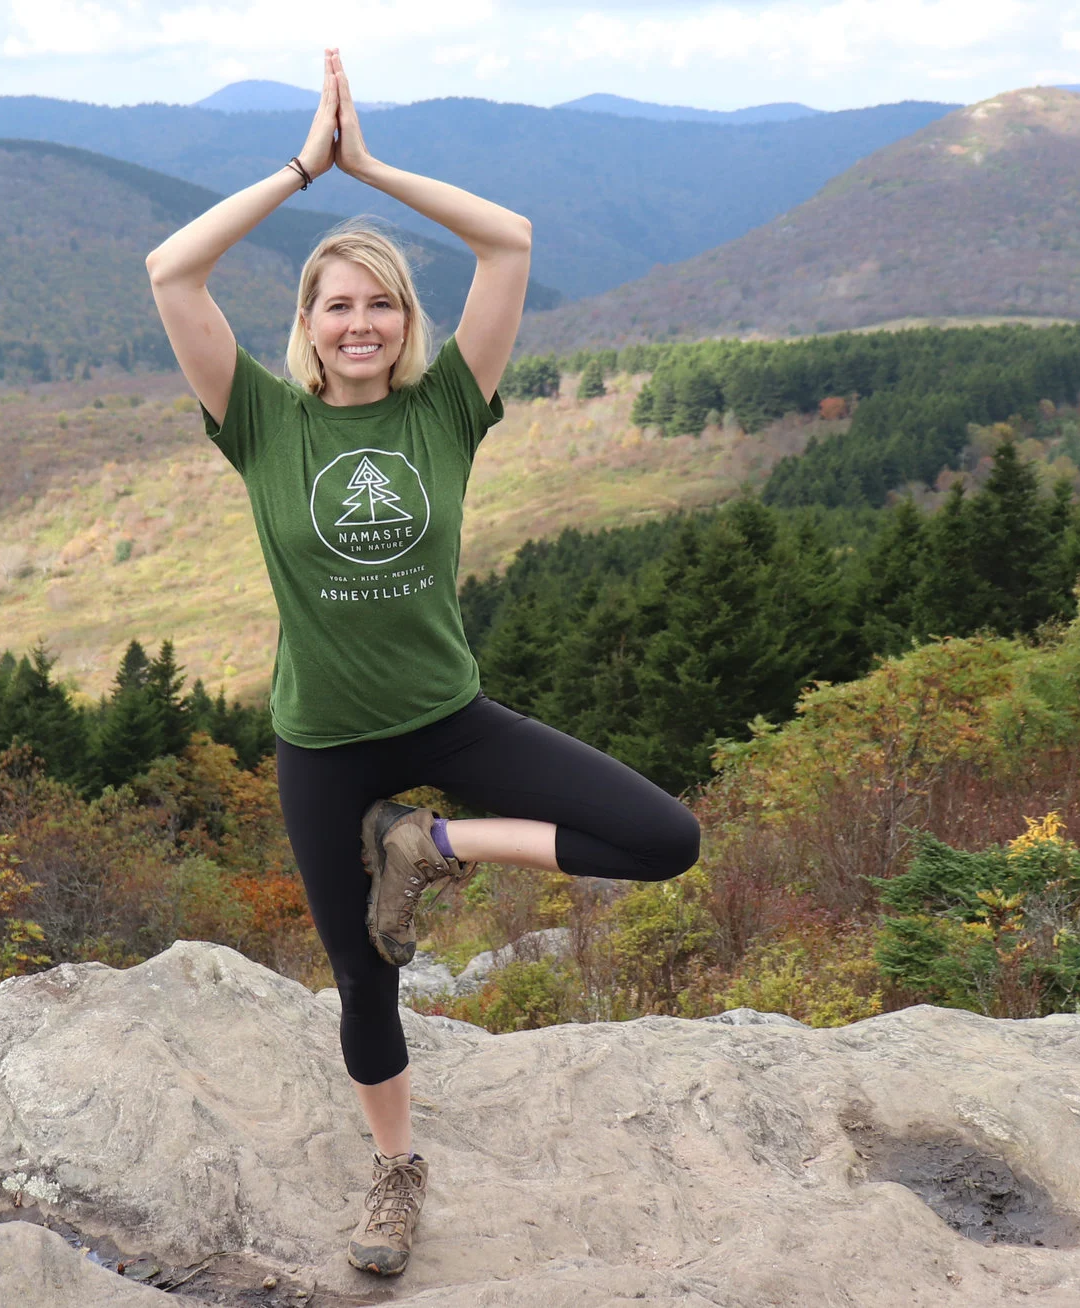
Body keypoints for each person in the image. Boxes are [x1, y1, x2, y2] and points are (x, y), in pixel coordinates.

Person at [145, 48, 701, 1278]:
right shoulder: (259, 418)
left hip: (447, 719)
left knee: (663, 840)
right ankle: (394, 1174)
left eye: (380, 303)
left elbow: (507, 244)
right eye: (334, 306)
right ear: (304, 327)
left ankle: (429, 845)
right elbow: (169, 271)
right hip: (325, 744)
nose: (358, 324)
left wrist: (372, 165)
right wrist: (302, 169)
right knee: (364, 976)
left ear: (408, 321)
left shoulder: (448, 405)